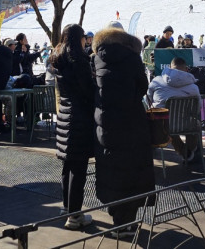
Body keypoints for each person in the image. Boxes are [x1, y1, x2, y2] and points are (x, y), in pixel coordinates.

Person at [92, 24, 155, 238]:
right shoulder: (132, 58)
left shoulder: (97, 58)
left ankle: (117, 218)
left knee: (111, 167)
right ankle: (126, 222)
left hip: (105, 121)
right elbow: (142, 86)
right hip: (131, 120)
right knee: (132, 169)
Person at [47, 24, 95, 230]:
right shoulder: (79, 60)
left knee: (68, 165)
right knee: (78, 168)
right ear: (79, 38)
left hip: (65, 114)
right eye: (84, 36)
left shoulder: (59, 58)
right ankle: (75, 216)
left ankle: (67, 207)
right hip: (79, 118)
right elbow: (88, 90)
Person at [147, 56, 201, 163]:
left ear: (170, 68)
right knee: (196, 124)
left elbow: (148, 100)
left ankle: (184, 152)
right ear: (186, 69)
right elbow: (197, 109)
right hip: (185, 123)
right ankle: (189, 151)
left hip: (161, 125)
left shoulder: (156, 81)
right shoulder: (194, 88)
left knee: (169, 126)